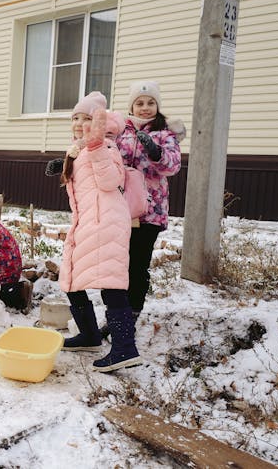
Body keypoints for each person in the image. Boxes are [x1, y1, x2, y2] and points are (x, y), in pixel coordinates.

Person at [57, 91, 142, 372]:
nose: (79, 123)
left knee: (111, 283)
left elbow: (110, 181)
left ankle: (124, 348)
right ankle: (90, 334)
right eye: (75, 118)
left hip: (106, 223)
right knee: (70, 279)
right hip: (88, 221)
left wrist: (95, 148)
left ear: (99, 123)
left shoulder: (106, 146)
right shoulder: (80, 148)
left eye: (86, 118)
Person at [106, 80, 183, 335]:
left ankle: (131, 315)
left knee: (137, 265)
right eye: (139, 103)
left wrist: (155, 150)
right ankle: (116, 315)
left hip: (150, 212)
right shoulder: (120, 130)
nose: (145, 107)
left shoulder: (164, 132)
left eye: (150, 103)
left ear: (157, 105)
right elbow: (105, 157)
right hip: (120, 209)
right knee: (118, 263)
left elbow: (172, 166)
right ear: (132, 106)